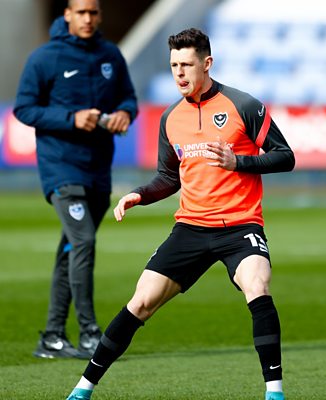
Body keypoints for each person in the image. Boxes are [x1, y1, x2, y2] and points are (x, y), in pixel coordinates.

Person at [66, 28, 294, 400]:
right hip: (190, 228)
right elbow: (169, 177)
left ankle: (275, 393)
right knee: (141, 302)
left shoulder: (243, 105)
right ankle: (82, 388)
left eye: (187, 65)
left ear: (207, 63)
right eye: (174, 66)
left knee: (257, 285)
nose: (179, 73)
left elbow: (286, 157)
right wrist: (140, 194)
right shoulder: (170, 118)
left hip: (240, 226)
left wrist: (239, 162)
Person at [13, 0, 138, 360]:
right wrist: (71, 119)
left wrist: (124, 114)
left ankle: (52, 336)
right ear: (67, 14)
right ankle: (89, 333)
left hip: (98, 168)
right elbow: (24, 108)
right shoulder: (44, 57)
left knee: (71, 248)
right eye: (81, 12)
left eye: (93, 12)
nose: (88, 18)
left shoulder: (110, 54)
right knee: (83, 241)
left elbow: (128, 98)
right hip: (61, 167)